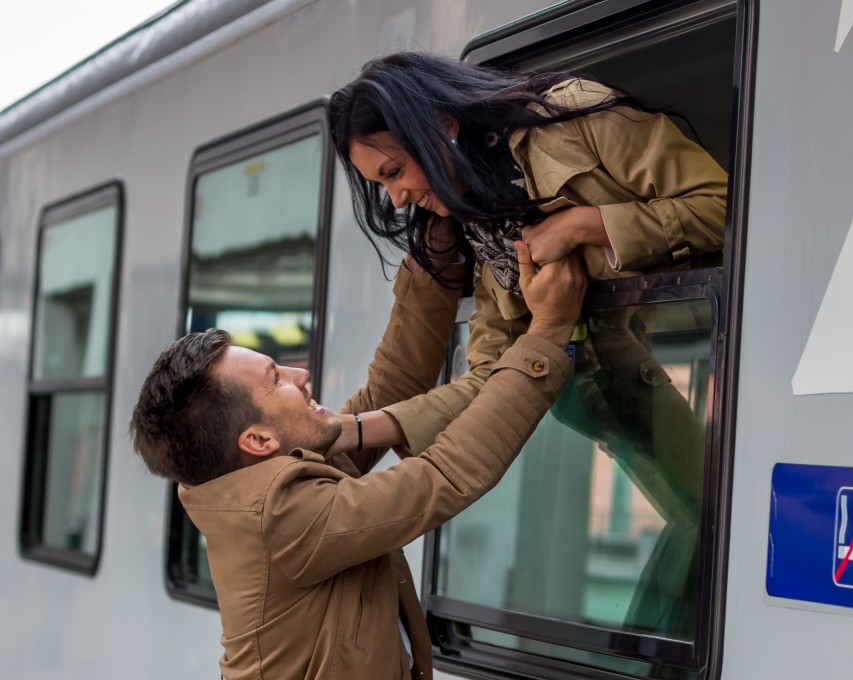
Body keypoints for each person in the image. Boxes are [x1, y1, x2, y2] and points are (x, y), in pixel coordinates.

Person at [129, 245, 586, 680]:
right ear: (259, 440)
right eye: (276, 379)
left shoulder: (256, 478)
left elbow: (390, 387)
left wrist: (435, 257)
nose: (301, 375)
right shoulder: (282, 516)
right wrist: (548, 332)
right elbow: (442, 477)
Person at [324, 51, 728, 457]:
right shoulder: (481, 224)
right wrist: (352, 429)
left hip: (715, 370)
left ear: (442, 126)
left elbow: (728, 209)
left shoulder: (573, 115)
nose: (396, 200)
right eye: (381, 185)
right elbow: (490, 376)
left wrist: (583, 225)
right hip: (608, 411)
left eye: (394, 172)